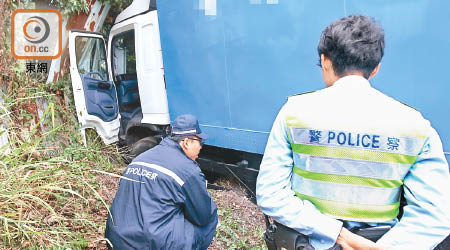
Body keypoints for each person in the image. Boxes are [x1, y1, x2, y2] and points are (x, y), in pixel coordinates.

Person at [256, 15, 450, 250]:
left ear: (324, 60)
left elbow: (271, 194)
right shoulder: (416, 126)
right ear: (375, 69)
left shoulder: (294, 113)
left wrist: (337, 234)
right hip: (380, 240)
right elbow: (436, 215)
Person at [105, 114, 218, 249]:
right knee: (210, 218)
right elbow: (203, 216)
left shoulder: (141, 158)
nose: (201, 147)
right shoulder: (187, 169)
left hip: (116, 239)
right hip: (151, 244)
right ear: (187, 142)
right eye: (200, 142)